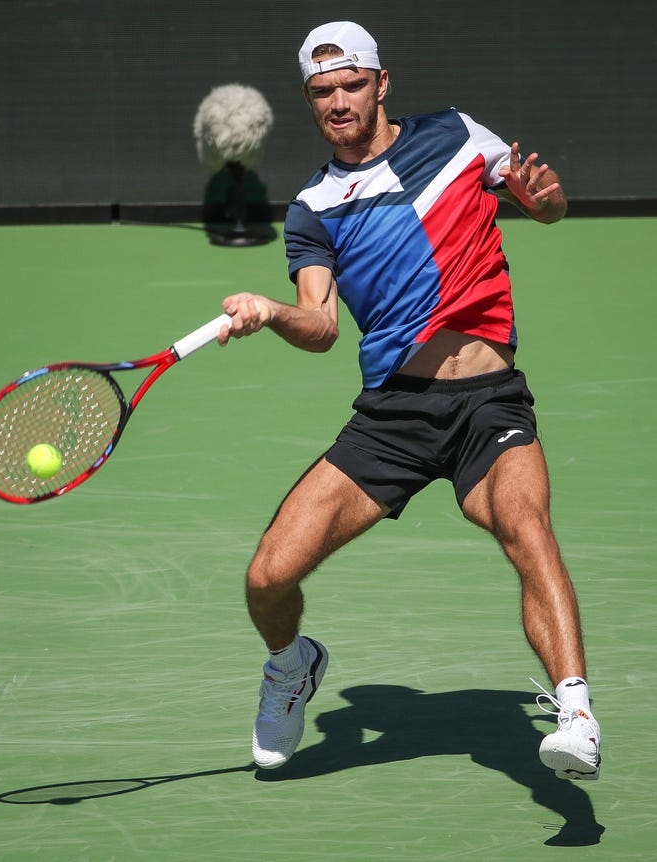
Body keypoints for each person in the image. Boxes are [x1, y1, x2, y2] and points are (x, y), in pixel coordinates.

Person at [216, 21, 601, 781]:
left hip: (489, 402)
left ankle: (577, 713)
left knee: (526, 527)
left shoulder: (458, 136)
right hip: (393, 417)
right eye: (322, 92)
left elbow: (540, 203)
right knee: (267, 578)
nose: (337, 102)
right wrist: (270, 312)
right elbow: (321, 325)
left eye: (351, 84)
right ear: (309, 99)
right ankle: (293, 666)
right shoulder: (314, 208)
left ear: (381, 83)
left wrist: (547, 204)